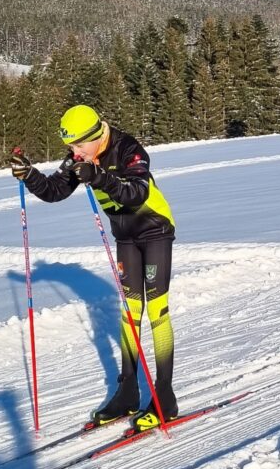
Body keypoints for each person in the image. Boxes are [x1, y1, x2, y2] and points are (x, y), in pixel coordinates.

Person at [10, 105, 178, 432]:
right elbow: (55, 190)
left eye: (78, 147)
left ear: (96, 136)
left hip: (155, 229)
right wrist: (28, 174)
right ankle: (128, 390)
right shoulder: (78, 158)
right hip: (126, 237)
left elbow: (136, 193)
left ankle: (165, 397)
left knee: (156, 310)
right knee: (129, 311)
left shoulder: (129, 148)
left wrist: (98, 176)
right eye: (71, 149)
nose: (73, 154)